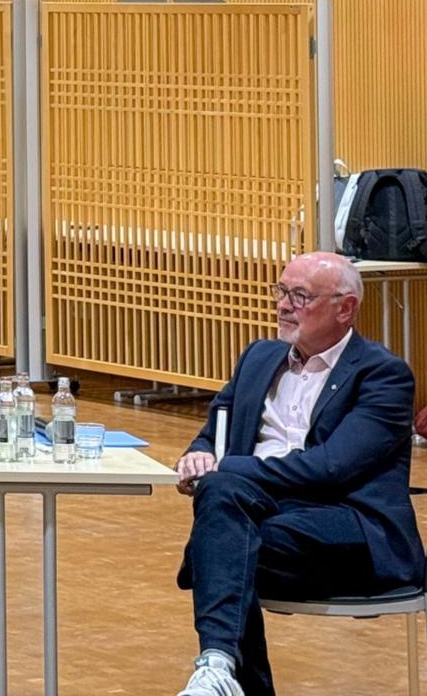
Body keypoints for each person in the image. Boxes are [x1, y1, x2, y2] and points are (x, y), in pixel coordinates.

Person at [173, 251, 423, 696]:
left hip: (348, 526)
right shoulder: (258, 358)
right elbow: (215, 432)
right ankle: (217, 666)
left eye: (300, 296)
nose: (283, 305)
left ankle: (219, 669)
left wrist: (223, 469)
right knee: (228, 535)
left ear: (345, 309)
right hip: (268, 521)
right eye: (281, 291)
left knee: (220, 544)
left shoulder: (383, 376)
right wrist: (198, 455)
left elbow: (330, 468)